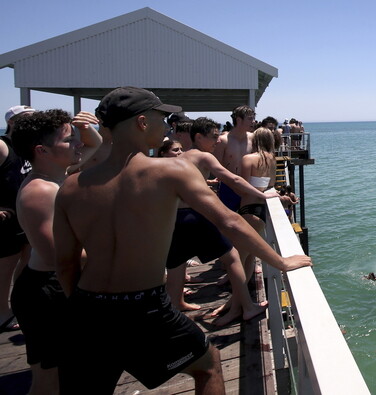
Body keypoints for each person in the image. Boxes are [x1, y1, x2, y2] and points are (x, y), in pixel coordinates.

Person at [53, 87, 312, 394]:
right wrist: (281, 261)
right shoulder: (170, 171)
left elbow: (65, 263)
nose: (169, 126)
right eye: (161, 118)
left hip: (86, 305)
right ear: (141, 122)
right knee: (208, 365)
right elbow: (229, 221)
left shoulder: (70, 186)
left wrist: (81, 310)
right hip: (141, 304)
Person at [10, 109, 101, 395]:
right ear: (42, 150)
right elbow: (56, 255)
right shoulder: (40, 191)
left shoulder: (57, 176)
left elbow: (95, 145)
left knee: (67, 372)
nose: (78, 145)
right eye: (68, 140)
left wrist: (85, 128)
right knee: (48, 380)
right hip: (44, 294)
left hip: (55, 285)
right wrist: (116, 252)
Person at [166, 117, 278, 325]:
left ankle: (175, 307)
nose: (218, 141)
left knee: (176, 264)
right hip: (195, 214)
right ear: (198, 137)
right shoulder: (204, 157)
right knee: (234, 258)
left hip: (175, 216)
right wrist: (262, 195)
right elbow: (234, 179)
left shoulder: (180, 157)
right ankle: (246, 306)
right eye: (214, 137)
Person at [0, 105, 35, 333]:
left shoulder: (30, 146)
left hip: (26, 216)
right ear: (12, 122)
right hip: (7, 220)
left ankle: (20, 305)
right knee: (4, 269)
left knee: (26, 262)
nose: (32, 123)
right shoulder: (3, 145)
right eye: (26, 119)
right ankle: (2, 312)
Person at [239, 127, 277, 281]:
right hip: (261, 210)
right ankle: (240, 295)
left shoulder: (248, 159)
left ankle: (236, 299)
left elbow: (243, 187)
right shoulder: (272, 159)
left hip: (248, 209)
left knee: (238, 259)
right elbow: (270, 183)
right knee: (249, 256)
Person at [213, 105, 256, 211]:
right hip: (228, 188)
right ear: (238, 120)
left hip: (249, 187)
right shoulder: (223, 141)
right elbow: (216, 168)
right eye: (250, 118)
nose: (254, 121)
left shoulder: (253, 138)